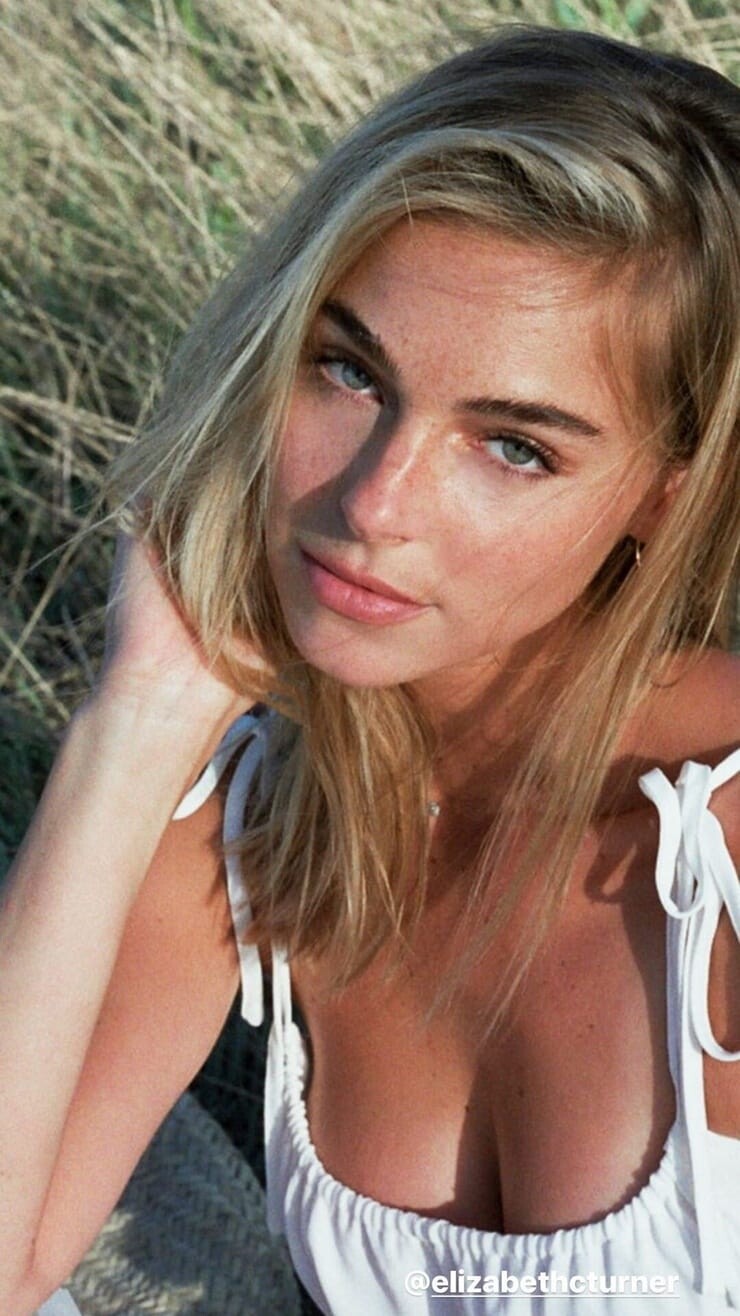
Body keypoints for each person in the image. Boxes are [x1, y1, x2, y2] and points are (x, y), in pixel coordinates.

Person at [1, 22, 738, 1316]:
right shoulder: (249, 817)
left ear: (661, 502)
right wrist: (139, 720)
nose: (372, 504)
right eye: (348, 371)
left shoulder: (716, 846)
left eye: (514, 447)